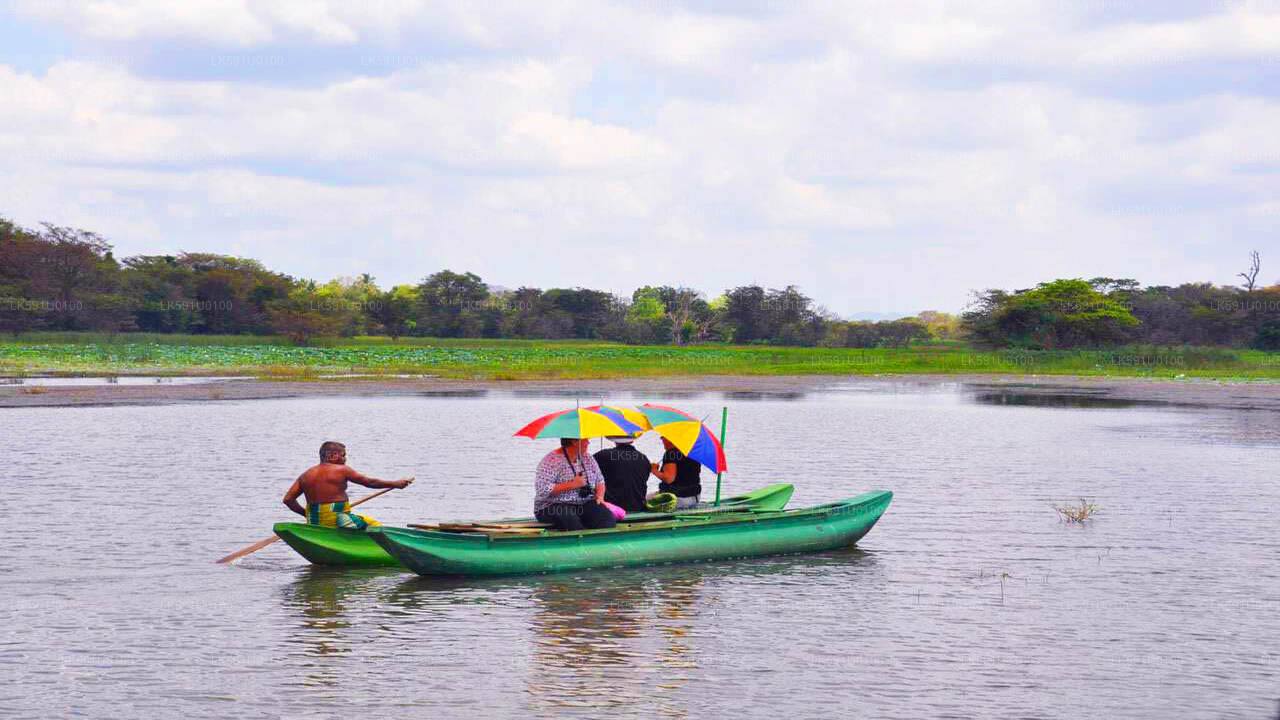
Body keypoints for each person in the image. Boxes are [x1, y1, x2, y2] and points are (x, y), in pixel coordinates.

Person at [283, 441, 413, 530]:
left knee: (355, 521)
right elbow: (369, 482)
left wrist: (306, 514)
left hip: (314, 521)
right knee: (376, 527)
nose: (345, 459)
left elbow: (288, 500)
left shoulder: (305, 475)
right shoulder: (342, 469)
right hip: (338, 520)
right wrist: (395, 484)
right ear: (332, 456)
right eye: (343, 455)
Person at [534, 438, 618, 531]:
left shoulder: (588, 458)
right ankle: (579, 543)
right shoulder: (551, 461)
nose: (588, 442)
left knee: (606, 518)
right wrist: (573, 484)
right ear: (574, 442)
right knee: (571, 521)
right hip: (552, 505)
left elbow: (600, 480)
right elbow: (543, 489)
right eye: (585, 440)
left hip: (583, 502)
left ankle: (600, 543)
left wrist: (600, 497)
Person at [593, 435, 651, 513]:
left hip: (611, 509)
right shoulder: (644, 458)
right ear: (632, 441)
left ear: (614, 440)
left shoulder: (602, 455)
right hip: (637, 507)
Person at [650, 437, 702, 509]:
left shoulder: (671, 453)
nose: (661, 440)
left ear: (670, 439)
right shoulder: (692, 452)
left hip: (677, 499)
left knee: (645, 500)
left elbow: (669, 479)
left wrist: (654, 470)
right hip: (695, 498)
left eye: (663, 437)